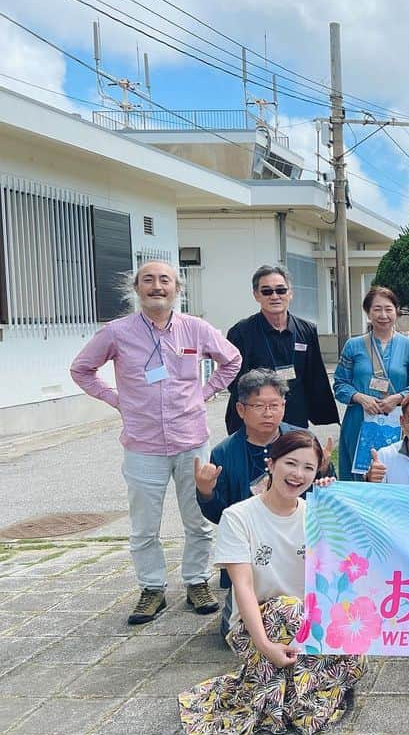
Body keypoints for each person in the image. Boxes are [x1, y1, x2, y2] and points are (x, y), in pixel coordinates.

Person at [70, 260, 241, 625]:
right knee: (144, 526)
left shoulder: (195, 329)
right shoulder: (117, 332)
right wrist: (116, 399)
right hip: (142, 444)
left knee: (197, 520)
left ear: (178, 288)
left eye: (165, 280)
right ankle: (152, 589)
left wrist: (206, 391)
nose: (157, 286)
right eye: (148, 280)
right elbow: (81, 369)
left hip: (190, 440)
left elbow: (232, 359)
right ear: (136, 288)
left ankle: (196, 581)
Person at [178, 430, 364, 735]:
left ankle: (292, 678)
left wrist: (333, 503)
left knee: (356, 656)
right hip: (255, 624)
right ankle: (281, 686)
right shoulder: (238, 516)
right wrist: (263, 644)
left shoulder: (315, 515)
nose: (298, 474)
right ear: (271, 462)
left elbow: (345, 569)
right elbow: (244, 588)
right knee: (288, 609)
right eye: (290, 463)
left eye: (308, 467)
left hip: (306, 620)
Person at [195, 369, 333, 638]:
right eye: (259, 406)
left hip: (296, 556)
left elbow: (326, 499)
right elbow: (220, 516)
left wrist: (325, 473)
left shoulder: (302, 441)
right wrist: (206, 492)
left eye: (275, 405)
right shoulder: (224, 452)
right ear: (241, 409)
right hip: (254, 560)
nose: (268, 413)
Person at [224, 265, 338, 435]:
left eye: (281, 290)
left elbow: (314, 375)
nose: (275, 296)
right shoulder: (241, 332)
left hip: (295, 416)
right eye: (267, 291)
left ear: (290, 293)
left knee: (293, 460)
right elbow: (233, 381)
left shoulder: (306, 330)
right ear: (256, 295)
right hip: (255, 419)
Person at [334, 286, 409, 480]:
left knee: (394, 473)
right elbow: (339, 384)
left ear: (397, 311)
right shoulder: (353, 346)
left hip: (396, 420)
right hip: (359, 420)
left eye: (388, 309)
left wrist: (397, 398)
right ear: (368, 313)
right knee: (359, 474)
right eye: (377, 309)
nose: (383, 315)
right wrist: (360, 398)